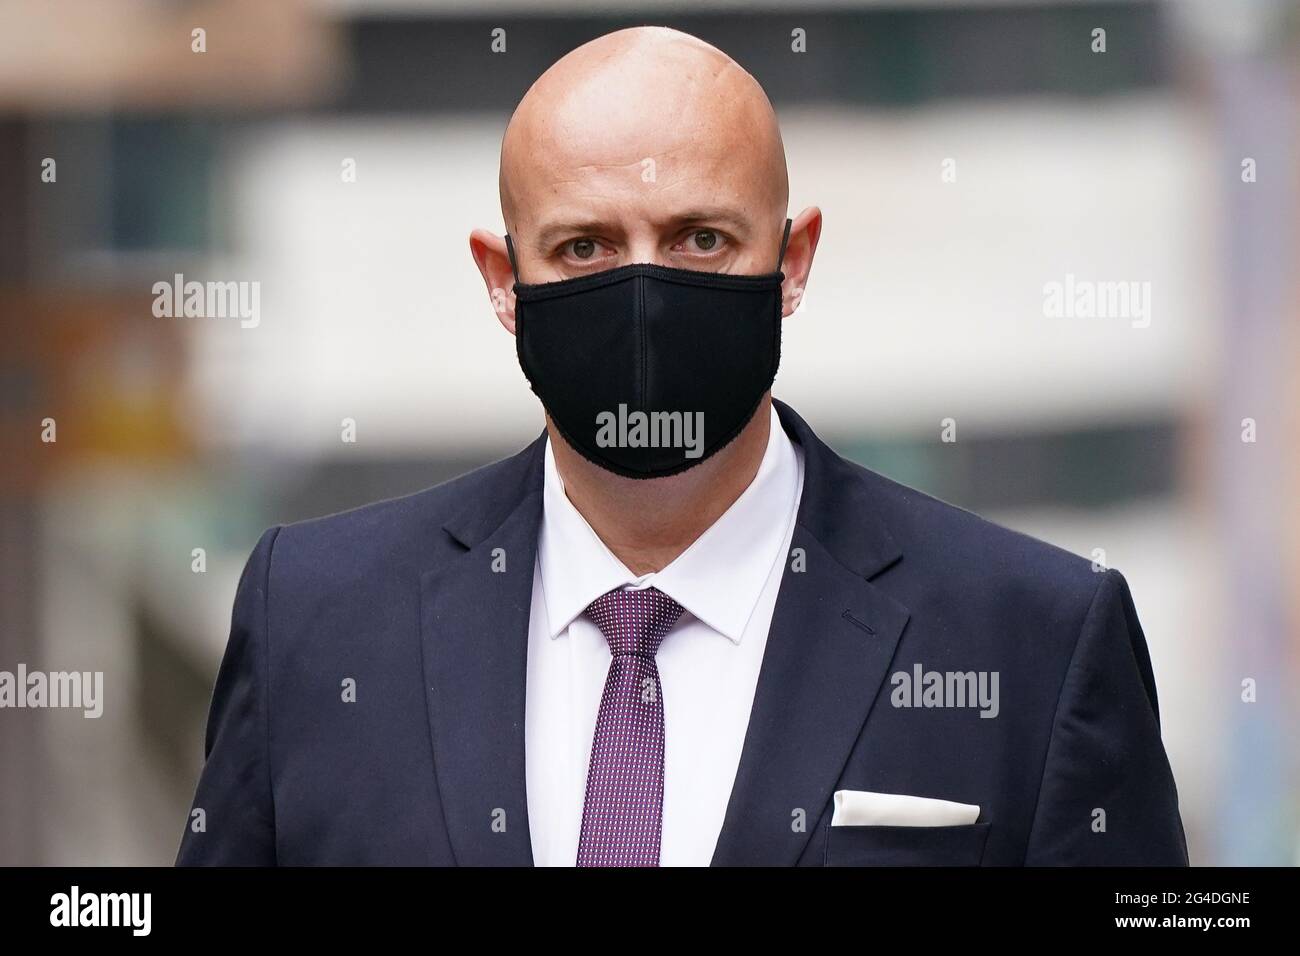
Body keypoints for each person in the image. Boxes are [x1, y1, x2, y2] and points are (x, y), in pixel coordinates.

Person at [176, 26, 1187, 866]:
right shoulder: (316, 617)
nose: (645, 296)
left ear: (792, 260)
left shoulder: (1034, 636)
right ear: (502, 278)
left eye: (701, 239)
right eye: (587, 247)